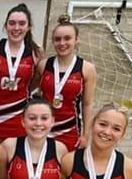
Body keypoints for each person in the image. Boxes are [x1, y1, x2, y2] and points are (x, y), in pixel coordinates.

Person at [35, 14, 97, 152]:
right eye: (57, 39)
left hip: (70, 131)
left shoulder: (87, 69)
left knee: (66, 169)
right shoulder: (43, 65)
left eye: (67, 38)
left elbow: (87, 104)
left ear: (76, 40)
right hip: (42, 129)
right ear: (53, 42)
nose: (62, 43)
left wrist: (86, 135)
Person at [0, 3, 44, 142]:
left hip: (20, 118)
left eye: (22, 23)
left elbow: (36, 80)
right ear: (5, 26)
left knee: (17, 160)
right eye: (12, 23)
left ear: (29, 27)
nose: (16, 28)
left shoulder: (36, 51)